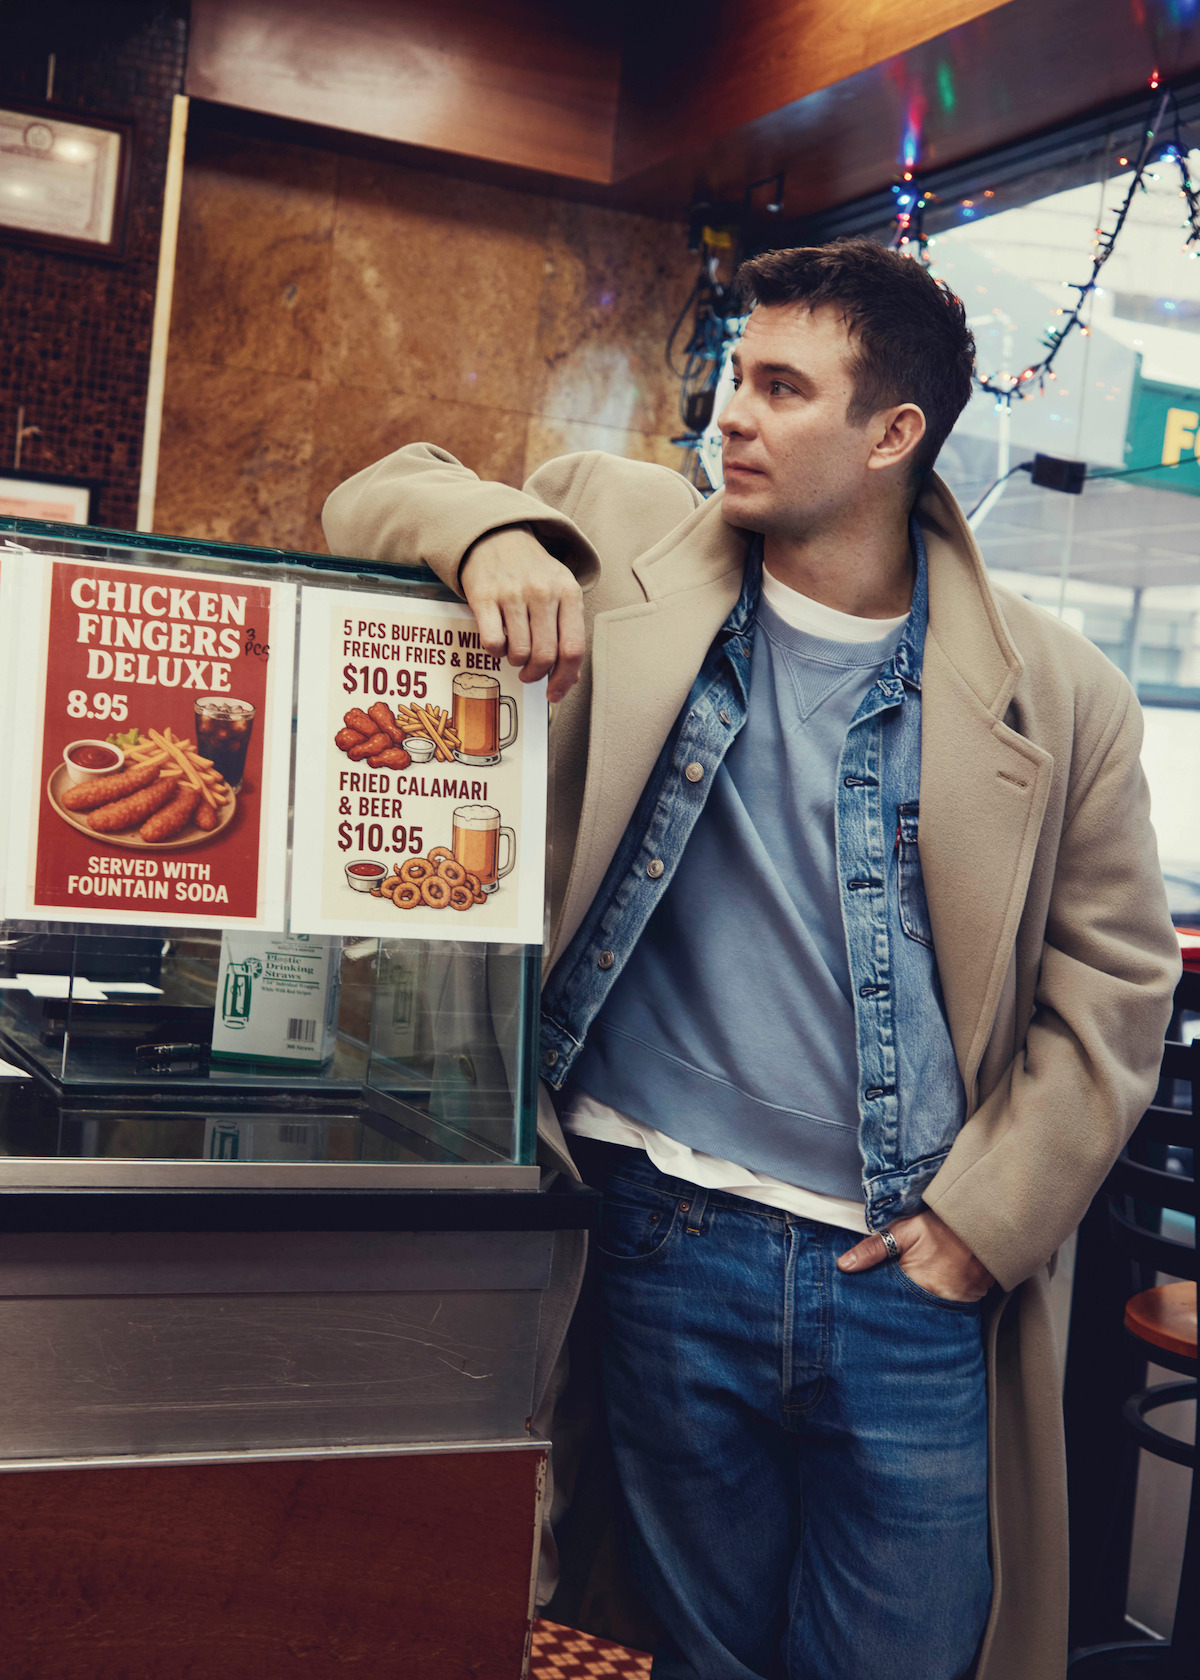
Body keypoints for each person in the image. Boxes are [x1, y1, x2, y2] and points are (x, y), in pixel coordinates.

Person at [323, 237, 1181, 1680]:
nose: (735, 410)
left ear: (894, 434)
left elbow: (1115, 989)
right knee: (702, 1656)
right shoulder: (625, 528)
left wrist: (982, 1226)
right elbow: (371, 488)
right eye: (735, 372)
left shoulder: (1061, 691)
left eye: (785, 386)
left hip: (906, 1273)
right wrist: (489, 539)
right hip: (665, 1239)